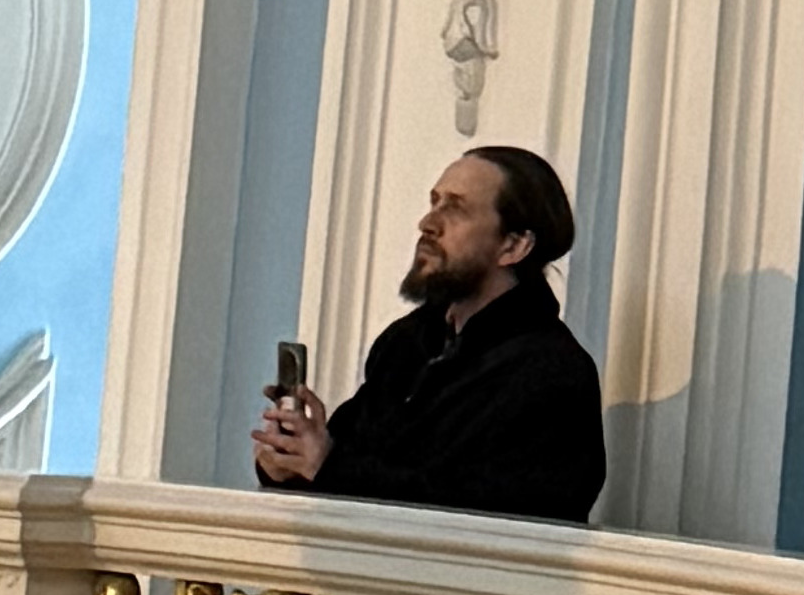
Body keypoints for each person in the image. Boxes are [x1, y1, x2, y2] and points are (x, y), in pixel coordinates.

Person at [254, 142, 606, 526]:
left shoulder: (554, 373)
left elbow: (494, 515)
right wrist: (289, 460)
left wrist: (328, 465)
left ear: (514, 245)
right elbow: (346, 465)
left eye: (455, 208)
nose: (428, 222)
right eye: (435, 202)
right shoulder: (406, 344)